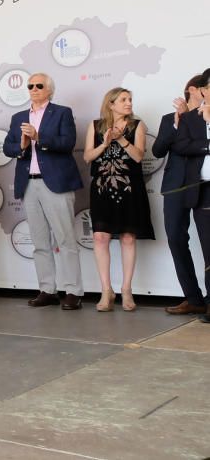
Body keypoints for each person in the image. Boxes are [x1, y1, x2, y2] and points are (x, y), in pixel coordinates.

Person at [2, 73, 85, 310]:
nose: (34, 89)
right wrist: (22, 145)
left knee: (65, 239)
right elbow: (8, 147)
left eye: (39, 85)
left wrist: (39, 138)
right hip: (29, 183)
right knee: (39, 241)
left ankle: (73, 291)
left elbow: (68, 143)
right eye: (30, 86)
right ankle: (47, 289)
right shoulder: (18, 117)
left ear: (49, 89)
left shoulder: (61, 112)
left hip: (56, 183)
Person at [83, 87, 154, 312]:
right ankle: (106, 290)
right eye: (123, 100)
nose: (128, 103)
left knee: (128, 238)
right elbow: (87, 157)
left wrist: (121, 139)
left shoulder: (137, 126)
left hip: (130, 189)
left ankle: (126, 290)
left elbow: (138, 156)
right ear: (111, 104)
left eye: (130, 99)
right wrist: (104, 144)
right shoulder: (95, 126)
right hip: (102, 189)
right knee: (101, 237)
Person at [153, 75, 207, 315]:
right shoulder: (169, 118)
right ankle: (193, 298)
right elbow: (157, 150)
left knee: (207, 243)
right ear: (192, 90)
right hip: (175, 187)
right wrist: (177, 124)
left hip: (202, 185)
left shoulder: (206, 118)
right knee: (175, 238)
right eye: (202, 88)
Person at [172, 67, 210, 324]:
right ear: (204, 90)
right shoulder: (190, 119)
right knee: (209, 250)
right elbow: (181, 146)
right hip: (205, 191)